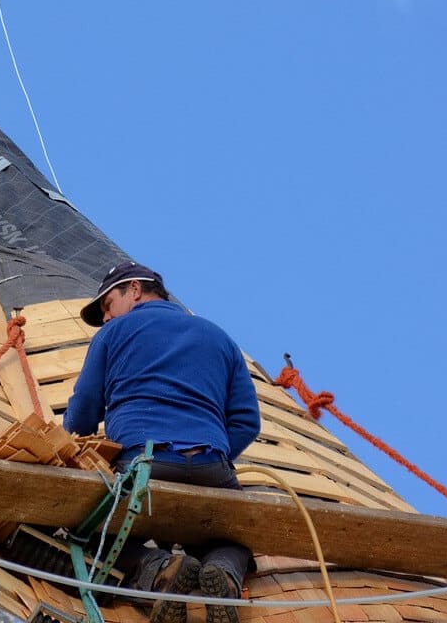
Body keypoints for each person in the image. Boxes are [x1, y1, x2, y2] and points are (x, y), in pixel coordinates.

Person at [63, 261, 261, 623]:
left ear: (135, 290)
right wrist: (207, 451)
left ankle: (157, 569)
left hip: (143, 464)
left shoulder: (114, 334)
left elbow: (83, 414)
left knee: (88, 529)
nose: (107, 318)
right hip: (212, 465)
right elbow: (248, 420)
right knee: (237, 537)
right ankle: (223, 574)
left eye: (108, 305)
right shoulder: (219, 337)